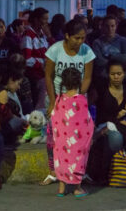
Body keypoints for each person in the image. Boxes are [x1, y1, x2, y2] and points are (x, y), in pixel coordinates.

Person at [51, 67, 94, 197]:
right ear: (79, 82)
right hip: (77, 140)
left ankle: (61, 188)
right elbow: (86, 121)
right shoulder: (81, 100)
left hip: (61, 139)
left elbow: (54, 118)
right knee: (78, 160)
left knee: (61, 159)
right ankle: (77, 189)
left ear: (63, 82)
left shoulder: (59, 99)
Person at [45, 19, 95, 116]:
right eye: (77, 38)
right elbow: (48, 76)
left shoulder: (87, 51)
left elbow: (87, 78)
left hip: (78, 95)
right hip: (56, 95)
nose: (80, 41)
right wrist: (52, 101)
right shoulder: (54, 50)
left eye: (83, 38)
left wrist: (77, 97)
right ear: (67, 36)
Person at [0, 62, 26, 146]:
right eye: (18, 84)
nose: (19, 87)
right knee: (19, 122)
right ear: (11, 80)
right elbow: (4, 116)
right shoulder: (2, 92)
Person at [21, 7, 50, 109]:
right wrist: (41, 64)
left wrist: (49, 36)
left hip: (43, 74)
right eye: (44, 19)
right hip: (35, 76)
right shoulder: (28, 34)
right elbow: (27, 59)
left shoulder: (42, 34)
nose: (46, 22)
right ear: (36, 20)